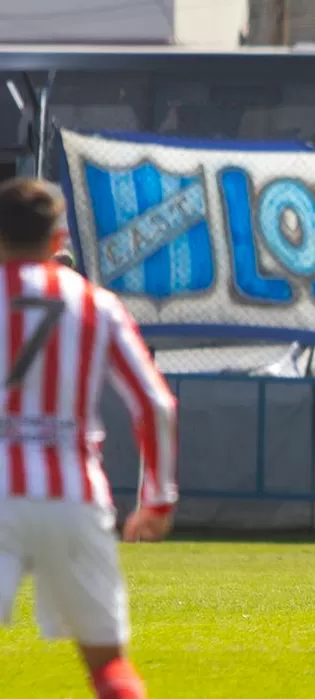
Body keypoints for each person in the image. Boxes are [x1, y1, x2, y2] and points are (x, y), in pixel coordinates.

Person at [0, 178, 178, 699]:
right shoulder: (94, 303)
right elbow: (155, 403)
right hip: (73, 493)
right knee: (108, 668)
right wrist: (158, 501)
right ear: (58, 240)